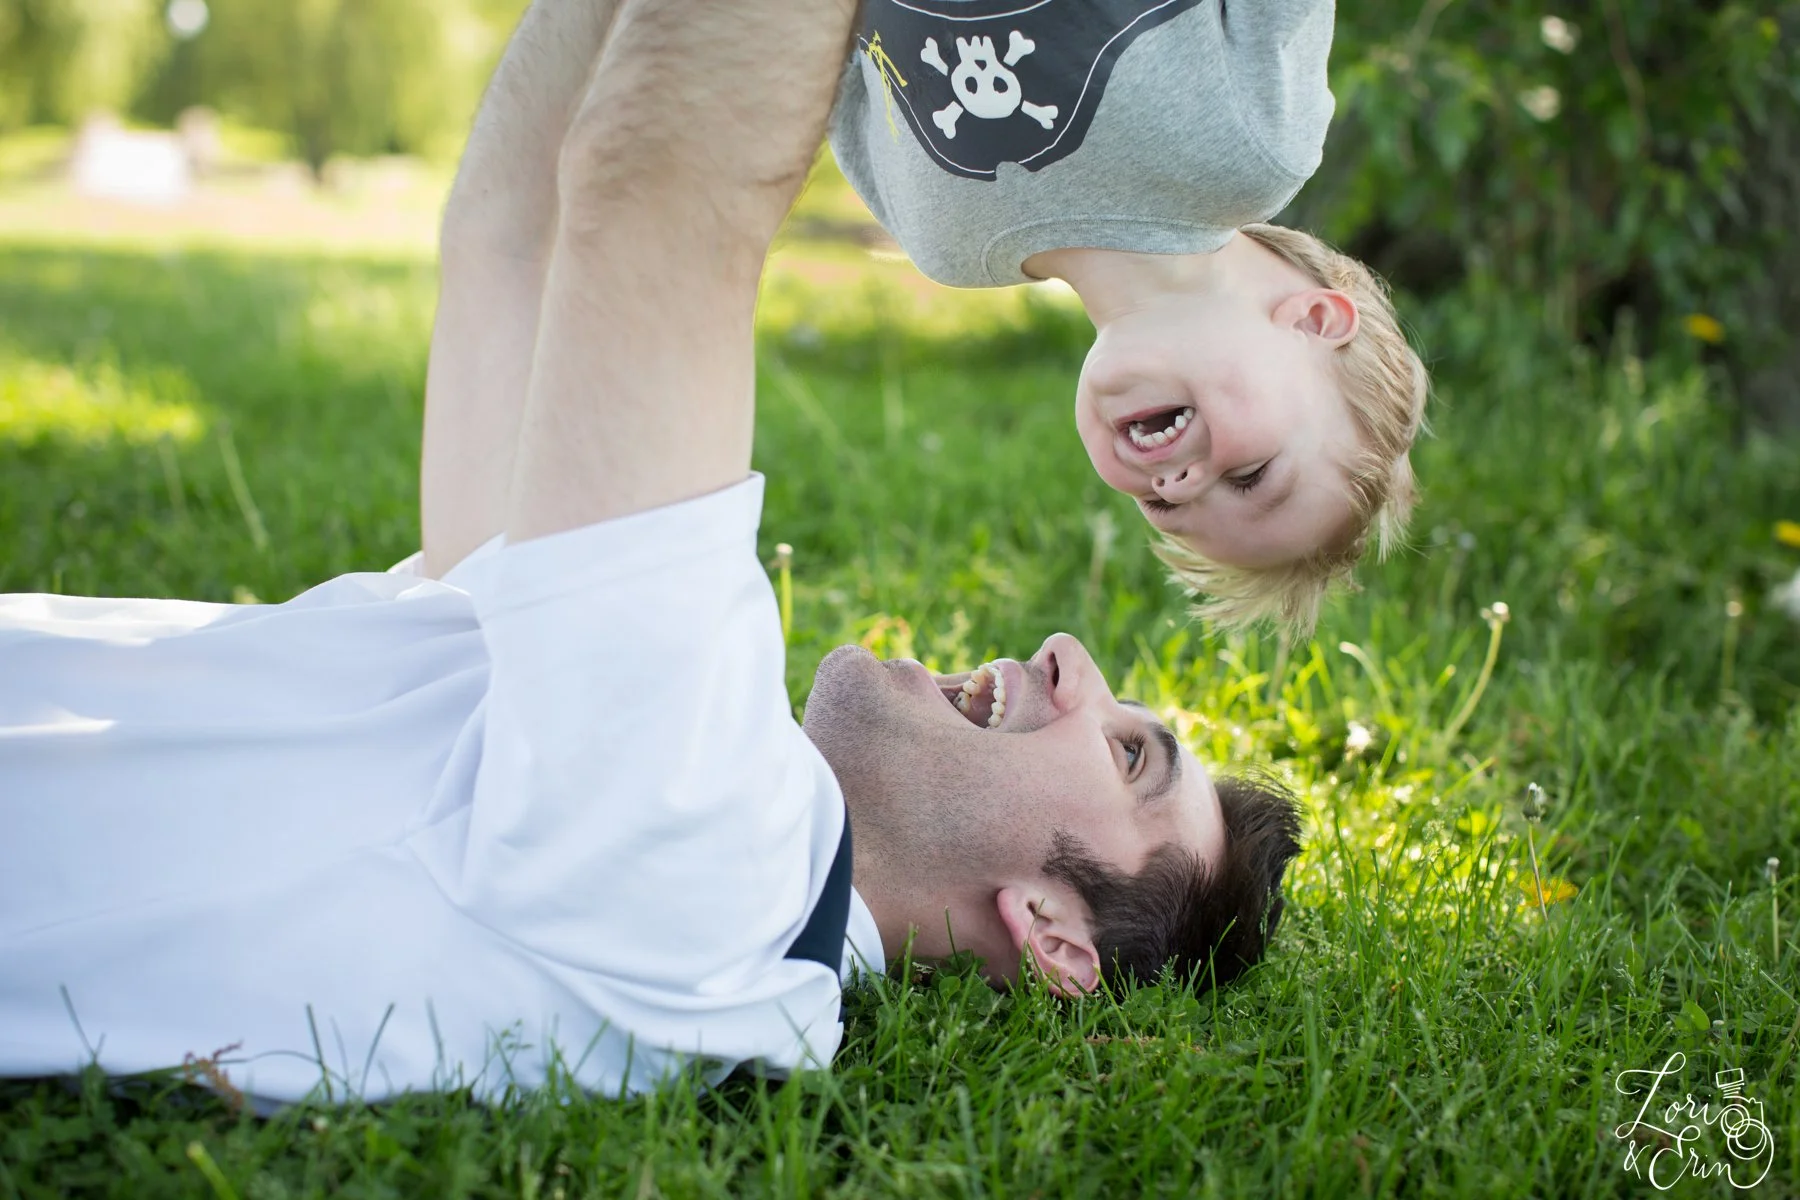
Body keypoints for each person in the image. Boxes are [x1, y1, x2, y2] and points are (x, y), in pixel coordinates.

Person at [0, 0, 1302, 1107]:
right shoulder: (658, 794)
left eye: (1130, 756)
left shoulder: (717, 893)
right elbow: (520, 223)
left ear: (1057, 940)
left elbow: (659, 184)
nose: (1072, 659)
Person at [831, 0, 1432, 632]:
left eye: (1161, 506)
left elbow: (811, 64)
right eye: (1251, 477)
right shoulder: (1253, 151)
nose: (1175, 483)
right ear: (1315, 322)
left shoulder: (941, 241)